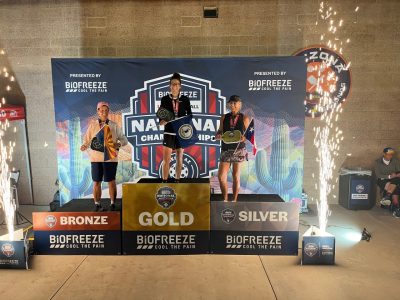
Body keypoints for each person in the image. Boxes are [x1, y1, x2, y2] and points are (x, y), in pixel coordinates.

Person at [80, 101, 128, 211]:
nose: (104, 112)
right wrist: (84, 146)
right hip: (96, 158)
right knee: (96, 181)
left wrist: (118, 144)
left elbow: (124, 140)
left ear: (108, 112)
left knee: (111, 181)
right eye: (102, 110)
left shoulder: (114, 125)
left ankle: (112, 204)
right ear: (98, 111)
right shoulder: (92, 126)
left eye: (106, 111)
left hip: (110, 159)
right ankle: (97, 204)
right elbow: (86, 140)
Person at [215, 95, 250, 202]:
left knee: (235, 176)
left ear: (240, 105)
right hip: (226, 149)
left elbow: (248, 136)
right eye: (231, 103)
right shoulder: (224, 117)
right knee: (221, 177)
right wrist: (218, 135)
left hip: (238, 150)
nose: (233, 105)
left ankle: (234, 201)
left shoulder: (245, 118)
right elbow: (219, 131)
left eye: (235, 103)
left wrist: (244, 138)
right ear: (229, 104)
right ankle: (225, 200)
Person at [159, 73, 192, 183]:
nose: (175, 86)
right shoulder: (164, 99)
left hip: (180, 133)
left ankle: (177, 181)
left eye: (177, 84)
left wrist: (183, 120)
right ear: (170, 86)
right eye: (173, 84)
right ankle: (164, 181)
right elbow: (161, 118)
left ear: (180, 86)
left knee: (179, 157)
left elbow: (190, 116)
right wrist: (163, 121)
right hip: (169, 133)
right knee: (166, 160)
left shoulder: (185, 99)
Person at [374, 147, 400, 218]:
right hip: (382, 179)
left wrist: (397, 174)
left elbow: (398, 171)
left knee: (396, 182)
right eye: (388, 154)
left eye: (391, 154)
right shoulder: (377, 162)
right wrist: (389, 176)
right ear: (384, 154)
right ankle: (396, 208)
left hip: (394, 179)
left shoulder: (395, 161)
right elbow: (378, 175)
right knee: (394, 185)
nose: (390, 156)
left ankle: (387, 197)